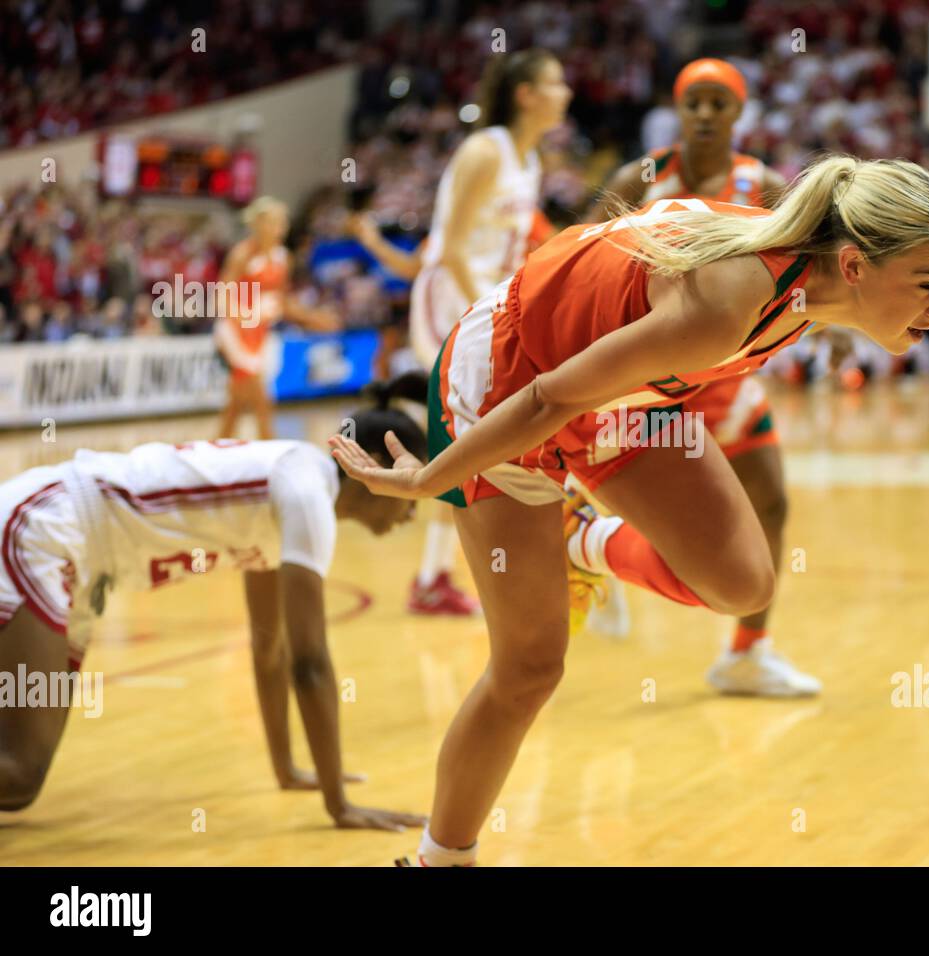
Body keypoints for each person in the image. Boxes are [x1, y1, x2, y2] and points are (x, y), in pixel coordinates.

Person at [330, 153, 929, 865]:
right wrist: (430, 482)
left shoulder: (804, 286)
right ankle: (439, 860)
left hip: (615, 392)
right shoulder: (732, 300)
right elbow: (549, 399)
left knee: (743, 583)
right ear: (854, 266)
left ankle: (578, 539)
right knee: (530, 668)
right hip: (511, 381)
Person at [0, 382, 428, 831]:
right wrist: (339, 805)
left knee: (20, 783)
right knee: (19, 769)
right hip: (47, 526)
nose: (413, 509)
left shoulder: (290, 486)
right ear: (377, 467)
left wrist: (287, 769)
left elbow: (270, 649)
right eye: (411, 482)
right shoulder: (306, 491)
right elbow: (310, 664)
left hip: (78, 559)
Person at [582, 57, 819, 696]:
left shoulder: (763, 183)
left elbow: (804, 267)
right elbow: (580, 251)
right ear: (678, 110)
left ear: (739, 112)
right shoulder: (644, 175)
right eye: (695, 103)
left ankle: (747, 651)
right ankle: (593, 555)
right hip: (652, 378)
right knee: (647, 508)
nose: (706, 114)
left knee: (770, 501)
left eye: (720, 103)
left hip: (729, 374)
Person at [348, 48, 571, 616]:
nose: (566, 91)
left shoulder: (529, 160)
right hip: (452, 299)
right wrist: (490, 307)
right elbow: (446, 250)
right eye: (555, 81)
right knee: (469, 435)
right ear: (527, 95)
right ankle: (433, 572)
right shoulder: (483, 150)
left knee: (482, 437)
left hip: (487, 301)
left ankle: (441, 572)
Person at [214, 196, 339, 441]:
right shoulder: (243, 254)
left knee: (237, 401)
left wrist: (313, 318)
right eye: (273, 222)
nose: (279, 229)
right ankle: (269, 445)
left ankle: (217, 445)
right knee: (261, 394)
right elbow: (223, 293)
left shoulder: (283, 257)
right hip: (236, 331)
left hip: (261, 332)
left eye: (282, 223)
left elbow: (283, 301)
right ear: (258, 224)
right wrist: (241, 315)